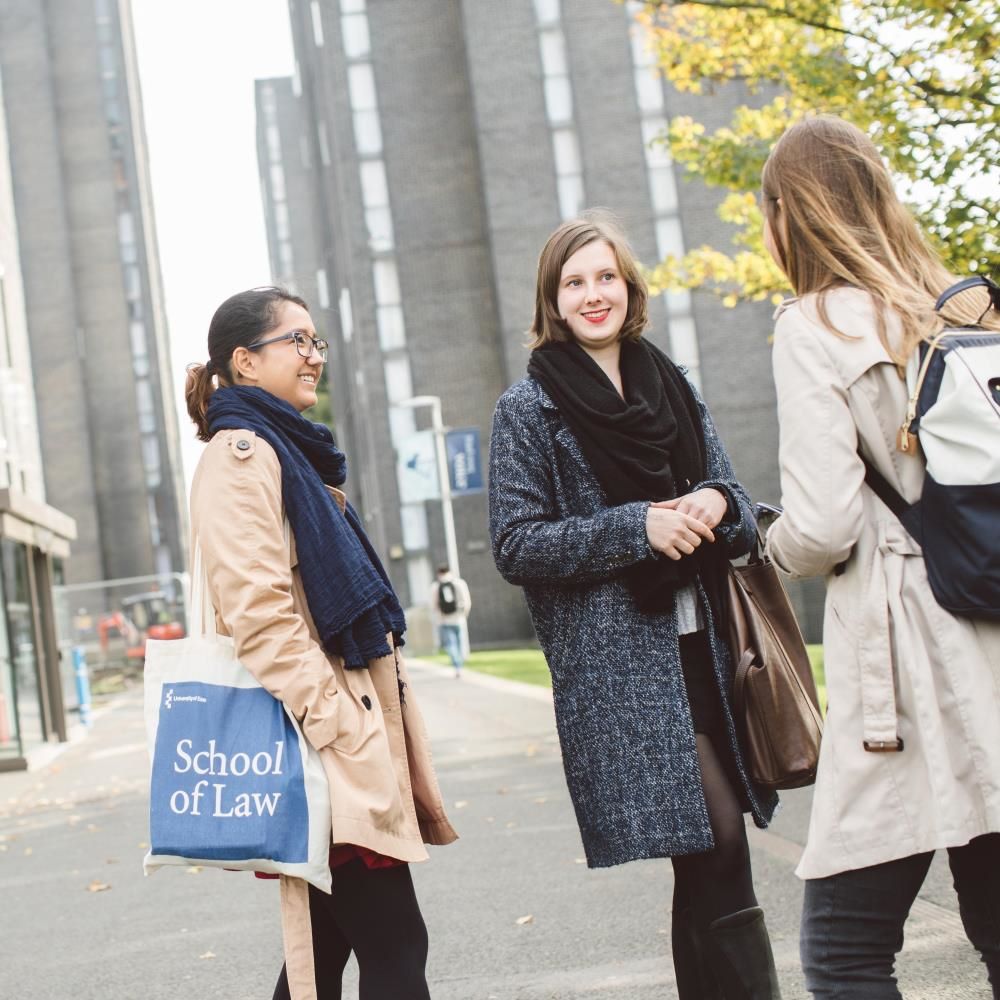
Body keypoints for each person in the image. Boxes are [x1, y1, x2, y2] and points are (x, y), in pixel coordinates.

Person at [489, 211, 782, 999]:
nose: (594, 294)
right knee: (718, 843)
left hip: (711, 651)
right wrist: (638, 527)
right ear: (553, 298)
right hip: (622, 665)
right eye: (575, 281)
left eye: (606, 277)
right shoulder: (529, 407)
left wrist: (719, 503)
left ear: (629, 285)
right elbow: (516, 545)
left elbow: (739, 497)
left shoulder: (670, 381)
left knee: (712, 855)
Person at [760, 116, 1000, 999]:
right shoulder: (958, 306)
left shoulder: (812, 324)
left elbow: (822, 525)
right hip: (990, 626)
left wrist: (766, 544)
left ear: (791, 215)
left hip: (905, 651)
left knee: (846, 948)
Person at [184, 286, 457, 1000]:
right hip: (323, 740)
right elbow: (259, 615)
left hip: (337, 735)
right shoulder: (241, 456)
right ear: (245, 362)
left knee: (326, 950)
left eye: (316, 342)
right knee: (395, 944)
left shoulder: (288, 454)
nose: (313, 357)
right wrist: (336, 720)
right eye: (296, 342)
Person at [429, 564, 471, 677]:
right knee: (459, 643)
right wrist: (464, 616)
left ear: (439, 574)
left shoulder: (435, 586)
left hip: (444, 621)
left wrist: (437, 618)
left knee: (451, 645)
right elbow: (467, 602)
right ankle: (459, 664)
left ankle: (457, 667)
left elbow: (433, 605)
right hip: (459, 619)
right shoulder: (459, 583)